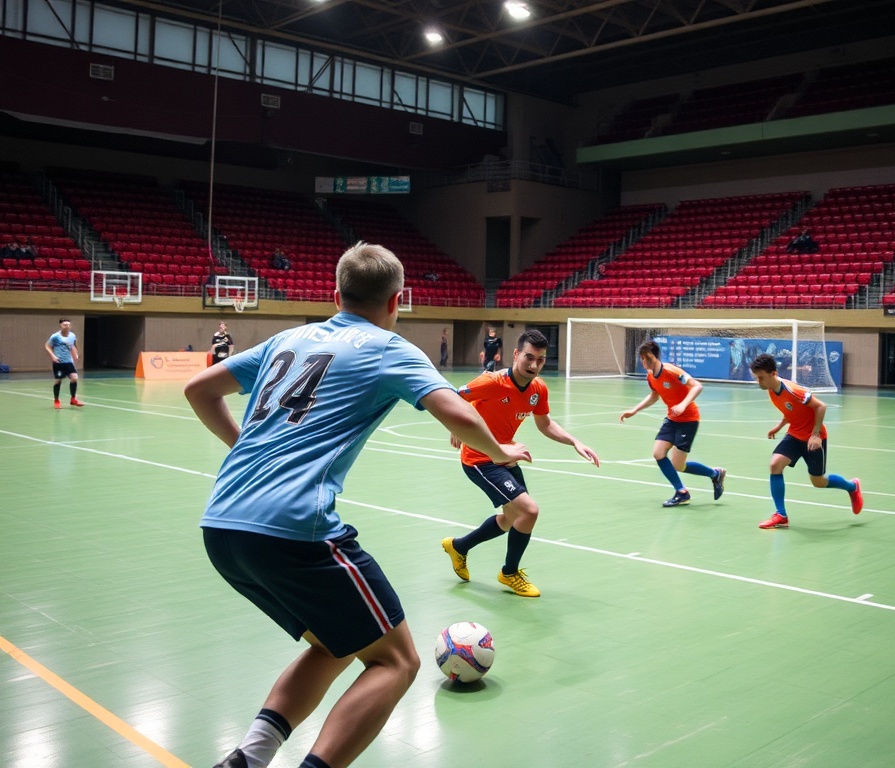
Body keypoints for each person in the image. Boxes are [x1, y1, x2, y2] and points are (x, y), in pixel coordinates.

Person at [184, 242, 528, 768]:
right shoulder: (388, 347)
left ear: (336, 293)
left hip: (221, 527)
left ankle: (247, 759)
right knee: (396, 661)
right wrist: (500, 451)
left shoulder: (287, 338)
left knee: (336, 643)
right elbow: (455, 412)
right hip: (293, 528)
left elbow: (198, 390)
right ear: (398, 302)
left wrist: (246, 451)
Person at [441, 329, 600, 598]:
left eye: (540, 360)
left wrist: (575, 442)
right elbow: (452, 397)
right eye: (529, 357)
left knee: (512, 518)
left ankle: (459, 546)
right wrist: (458, 427)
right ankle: (510, 573)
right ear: (515, 355)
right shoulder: (492, 382)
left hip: (505, 456)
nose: (534, 365)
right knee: (530, 511)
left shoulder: (538, 389)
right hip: (479, 458)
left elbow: (545, 424)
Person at [749, 353, 862, 529]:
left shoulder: (793, 390)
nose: (759, 382)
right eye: (757, 378)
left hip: (813, 439)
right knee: (775, 465)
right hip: (794, 435)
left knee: (819, 481)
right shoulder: (771, 390)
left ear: (773, 373)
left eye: (761, 378)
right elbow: (791, 411)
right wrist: (779, 427)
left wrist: (815, 434)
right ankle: (781, 515)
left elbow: (820, 406)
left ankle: (852, 487)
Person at [619, 340, 725, 507]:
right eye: (642, 358)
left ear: (654, 357)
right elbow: (654, 395)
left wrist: (683, 405)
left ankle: (715, 474)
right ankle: (681, 492)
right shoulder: (650, 375)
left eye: (647, 358)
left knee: (678, 465)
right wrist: (634, 410)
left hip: (688, 420)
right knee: (658, 453)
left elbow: (697, 386)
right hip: (672, 419)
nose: (644, 362)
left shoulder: (671, 371)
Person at [45, 318, 84, 409]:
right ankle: (56, 400)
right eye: (65, 325)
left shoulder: (72, 336)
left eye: (68, 324)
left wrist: (75, 355)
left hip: (69, 362)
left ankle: (73, 399)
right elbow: (47, 346)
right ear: (61, 326)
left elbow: (72, 346)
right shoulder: (55, 336)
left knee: (74, 378)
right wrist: (53, 356)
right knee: (58, 381)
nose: (67, 326)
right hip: (58, 362)